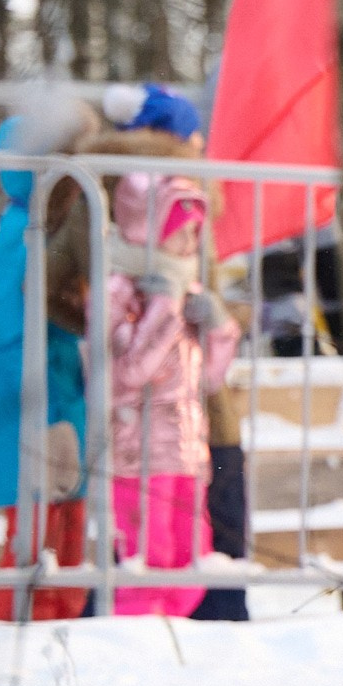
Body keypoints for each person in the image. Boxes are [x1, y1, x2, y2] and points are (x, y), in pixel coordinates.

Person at [0, 116, 92, 619]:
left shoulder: (39, 229)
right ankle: (19, 626)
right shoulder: (24, 232)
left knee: (63, 534)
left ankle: (57, 626)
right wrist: (47, 411)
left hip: (56, 398)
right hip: (38, 408)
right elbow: (15, 335)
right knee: (37, 541)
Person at [104, 172, 240, 616]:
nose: (187, 244)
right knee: (149, 561)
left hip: (185, 453)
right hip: (137, 454)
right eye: (178, 233)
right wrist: (164, 310)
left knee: (189, 561)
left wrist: (219, 328)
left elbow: (209, 379)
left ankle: (172, 651)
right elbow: (128, 374)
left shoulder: (185, 289)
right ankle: (136, 650)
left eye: (193, 234)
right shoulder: (118, 291)